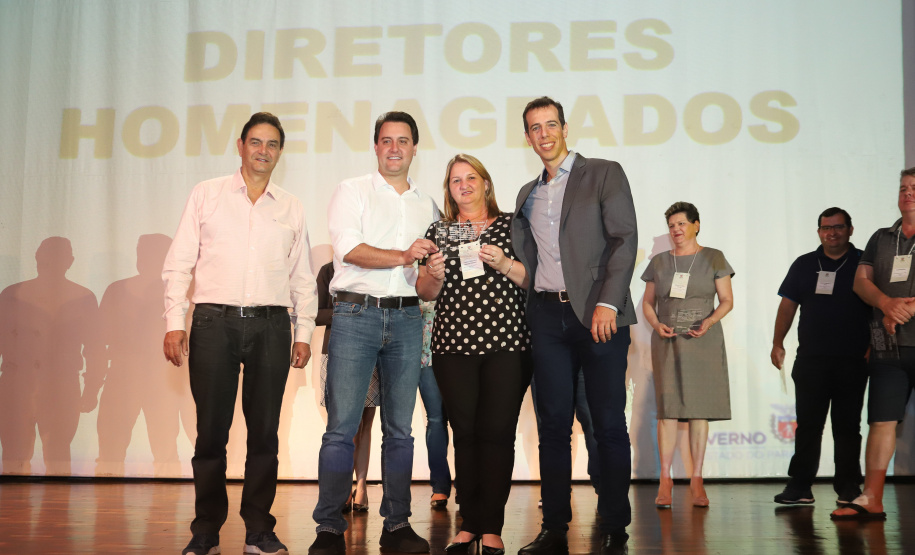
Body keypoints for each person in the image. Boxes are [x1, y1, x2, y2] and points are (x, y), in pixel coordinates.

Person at [162, 112, 317, 555]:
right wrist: (175, 323)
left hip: (271, 325)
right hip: (214, 322)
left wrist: (303, 331)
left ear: (280, 152)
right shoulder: (206, 194)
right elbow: (179, 264)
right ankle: (206, 531)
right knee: (211, 432)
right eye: (255, 142)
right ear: (240, 146)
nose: (263, 151)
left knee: (265, 434)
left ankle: (259, 530)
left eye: (272, 144)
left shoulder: (291, 206)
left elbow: (302, 276)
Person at [309, 111, 439, 555]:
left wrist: (434, 275)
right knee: (341, 429)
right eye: (386, 140)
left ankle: (397, 524)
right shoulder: (352, 190)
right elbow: (349, 249)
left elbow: (424, 285)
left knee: (400, 431)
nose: (394, 148)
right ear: (377, 146)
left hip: (407, 318)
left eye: (403, 140)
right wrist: (404, 255)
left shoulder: (428, 206)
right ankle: (329, 527)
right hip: (355, 315)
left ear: (415, 148)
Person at [512, 97, 637, 555]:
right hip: (547, 317)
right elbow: (528, 260)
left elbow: (624, 240)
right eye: (535, 128)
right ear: (527, 137)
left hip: (599, 315)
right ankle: (554, 527)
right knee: (552, 427)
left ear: (565, 128)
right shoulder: (527, 194)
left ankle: (616, 523)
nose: (544, 134)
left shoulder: (603, 172)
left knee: (607, 423)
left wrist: (608, 302)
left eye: (551, 125)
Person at [416, 154, 532, 555]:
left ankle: (492, 525)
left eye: (470, 178)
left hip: (507, 344)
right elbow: (425, 291)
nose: (463, 185)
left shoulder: (513, 224)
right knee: (464, 434)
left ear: (486, 183)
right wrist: (433, 276)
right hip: (453, 346)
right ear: (448, 189)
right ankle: (469, 523)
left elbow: (533, 279)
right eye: (455, 180)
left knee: (497, 434)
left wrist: (505, 263)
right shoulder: (439, 231)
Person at [770, 208, 869, 505]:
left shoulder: (865, 262)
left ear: (850, 230)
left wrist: (873, 346)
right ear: (819, 232)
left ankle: (848, 487)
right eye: (826, 228)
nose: (832, 233)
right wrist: (777, 343)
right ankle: (800, 486)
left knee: (848, 426)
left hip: (853, 359)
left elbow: (878, 306)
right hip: (811, 360)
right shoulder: (804, 264)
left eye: (838, 227)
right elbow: (787, 306)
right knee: (809, 425)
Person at [832, 168, 915, 521]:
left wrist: (905, 308)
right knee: (881, 421)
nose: (907, 193)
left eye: (914, 188)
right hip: (888, 348)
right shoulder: (882, 237)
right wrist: (886, 303)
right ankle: (872, 497)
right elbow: (860, 281)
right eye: (903, 187)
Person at [641, 202, 734, 509]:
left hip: (702, 339)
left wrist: (708, 322)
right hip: (667, 339)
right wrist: (657, 325)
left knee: (698, 410)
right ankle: (665, 479)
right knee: (667, 411)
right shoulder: (659, 261)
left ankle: (696, 479)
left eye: (681, 223)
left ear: (696, 225)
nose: (676, 230)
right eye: (671, 225)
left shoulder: (714, 257)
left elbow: (727, 300)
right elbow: (648, 303)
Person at [315, 261, 379, 514]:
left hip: (372, 350)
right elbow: (316, 313)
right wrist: (350, 310)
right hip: (336, 350)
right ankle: (341, 488)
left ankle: (361, 487)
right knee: (341, 425)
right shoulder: (328, 270)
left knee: (366, 424)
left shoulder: (374, 267)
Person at [418, 300, 454, 509]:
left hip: (459, 354)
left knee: (464, 422)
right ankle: (440, 486)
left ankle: (467, 487)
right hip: (427, 354)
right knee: (435, 420)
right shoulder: (414, 278)